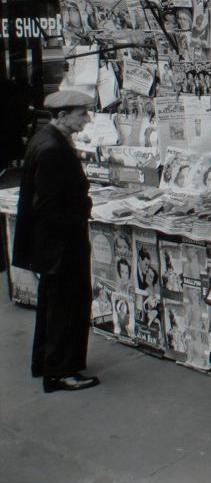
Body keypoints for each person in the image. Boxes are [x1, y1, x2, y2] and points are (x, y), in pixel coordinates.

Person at [13, 89, 100, 392]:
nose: (86, 120)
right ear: (62, 116)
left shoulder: (45, 138)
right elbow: (48, 205)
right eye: (81, 114)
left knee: (53, 306)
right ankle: (62, 372)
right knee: (68, 306)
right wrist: (78, 219)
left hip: (51, 245)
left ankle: (46, 363)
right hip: (61, 245)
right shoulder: (52, 148)